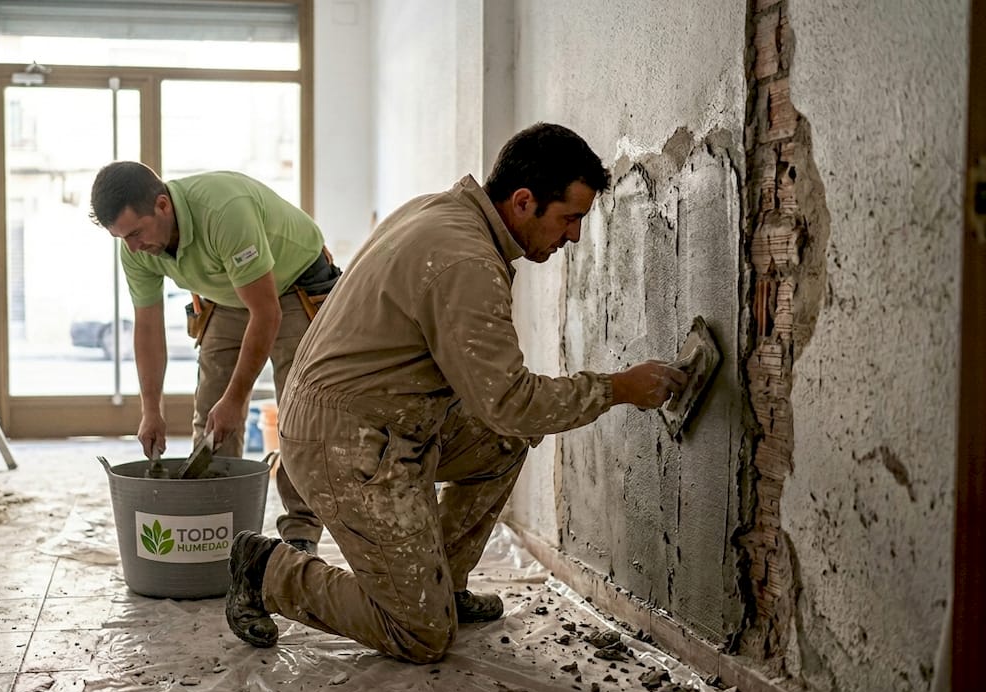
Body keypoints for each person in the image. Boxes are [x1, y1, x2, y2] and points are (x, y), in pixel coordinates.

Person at [224, 123, 688, 663]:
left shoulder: (447, 213)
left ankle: (441, 584)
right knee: (420, 635)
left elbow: (497, 410)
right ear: (523, 202)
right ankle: (268, 570)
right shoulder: (466, 259)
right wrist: (617, 388)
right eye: (570, 218)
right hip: (346, 441)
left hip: (389, 417)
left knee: (504, 441)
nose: (574, 236)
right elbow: (510, 402)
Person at [89, 162, 340, 554]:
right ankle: (218, 528)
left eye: (136, 233)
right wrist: (150, 410)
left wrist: (238, 400)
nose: (134, 247)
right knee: (211, 412)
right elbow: (148, 329)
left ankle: (300, 534)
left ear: (162, 205)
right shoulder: (135, 249)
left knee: (298, 415)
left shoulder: (225, 212)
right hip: (226, 293)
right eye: (122, 238)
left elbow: (267, 313)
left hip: (293, 284)